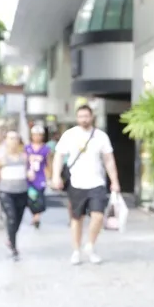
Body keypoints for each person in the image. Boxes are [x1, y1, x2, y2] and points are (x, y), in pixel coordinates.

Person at [51, 105, 119, 265]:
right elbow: (59, 156)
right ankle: (76, 250)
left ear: (92, 117)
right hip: (76, 183)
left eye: (86, 116)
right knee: (77, 218)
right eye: (81, 116)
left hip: (97, 183)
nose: (84, 119)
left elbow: (109, 160)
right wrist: (55, 176)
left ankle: (90, 245)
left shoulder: (101, 136)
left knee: (98, 216)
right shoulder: (70, 135)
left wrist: (114, 181)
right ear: (77, 118)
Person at [0, 130, 30, 261]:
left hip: (22, 192)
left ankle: (10, 237)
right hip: (6, 192)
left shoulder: (25, 158)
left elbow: (30, 172)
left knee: (17, 219)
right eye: (10, 138)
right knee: (11, 217)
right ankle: (13, 247)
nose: (13, 141)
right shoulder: (1, 160)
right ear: (6, 141)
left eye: (15, 138)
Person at [25, 125, 53, 229]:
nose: (37, 137)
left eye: (39, 135)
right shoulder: (27, 148)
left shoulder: (46, 149)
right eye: (35, 135)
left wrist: (50, 177)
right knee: (31, 198)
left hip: (40, 176)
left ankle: (37, 217)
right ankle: (34, 215)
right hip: (29, 177)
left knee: (40, 197)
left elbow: (49, 163)